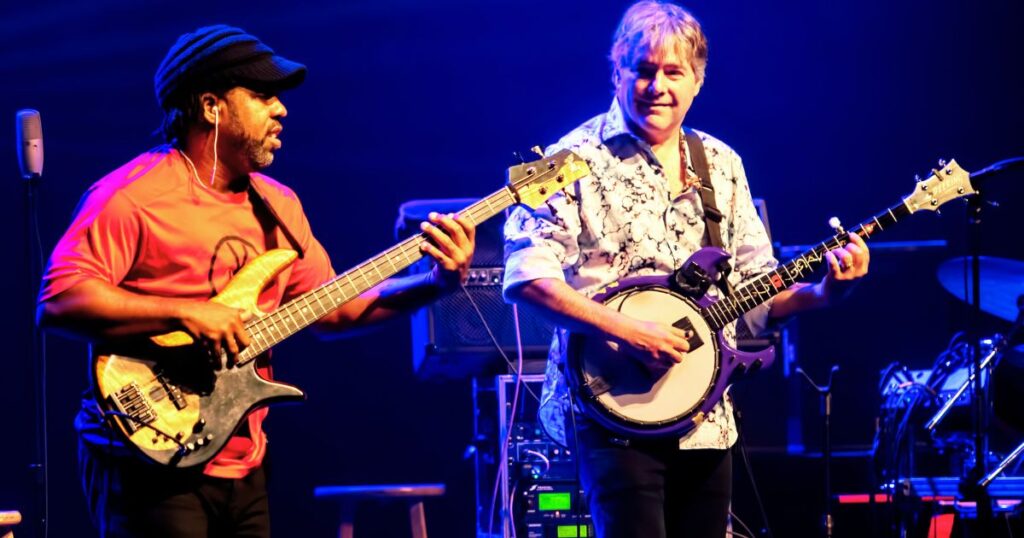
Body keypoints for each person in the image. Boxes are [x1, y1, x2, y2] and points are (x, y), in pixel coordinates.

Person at [35, 25, 475, 537]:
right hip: (146, 453)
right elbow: (60, 300)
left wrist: (434, 286)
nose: (281, 109)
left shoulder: (279, 205)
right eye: (263, 96)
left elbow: (332, 312)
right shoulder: (132, 196)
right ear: (211, 106)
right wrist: (186, 312)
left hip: (242, 457)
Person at [502, 2, 869, 537]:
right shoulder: (568, 159)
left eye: (674, 72)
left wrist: (826, 293)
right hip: (611, 409)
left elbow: (756, 295)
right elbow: (526, 279)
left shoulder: (721, 163)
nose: (658, 86)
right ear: (617, 72)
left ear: (697, 81)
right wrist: (627, 331)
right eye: (644, 70)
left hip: (705, 417)